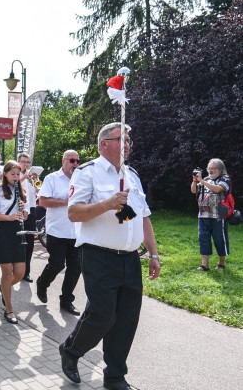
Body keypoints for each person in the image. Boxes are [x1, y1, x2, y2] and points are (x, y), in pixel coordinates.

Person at [59, 122, 161, 388]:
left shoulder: (132, 175)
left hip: (129, 258)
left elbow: (144, 218)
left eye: (129, 140)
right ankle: (71, 351)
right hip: (98, 255)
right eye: (122, 140)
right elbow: (74, 212)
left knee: (127, 319)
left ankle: (115, 376)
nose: (128, 144)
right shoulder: (87, 173)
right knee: (104, 315)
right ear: (104, 144)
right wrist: (108, 203)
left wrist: (154, 254)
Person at [36, 150, 82, 316]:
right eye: (72, 160)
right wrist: (65, 202)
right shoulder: (52, 178)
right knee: (57, 265)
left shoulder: (82, 180)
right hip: (57, 231)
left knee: (75, 268)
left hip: (76, 232)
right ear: (63, 161)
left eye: (78, 161)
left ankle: (66, 300)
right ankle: (42, 283)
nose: (75, 164)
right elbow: (43, 201)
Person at [0, 161, 30, 324]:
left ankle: (4, 288)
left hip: (18, 231)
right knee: (7, 272)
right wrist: (10, 217)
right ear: (5, 174)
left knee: (19, 272)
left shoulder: (21, 190)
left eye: (18, 174)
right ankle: (9, 309)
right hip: (3, 231)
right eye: (12, 174)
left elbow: (25, 215)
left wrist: (23, 212)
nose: (16, 177)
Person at [191, 158, 231, 270]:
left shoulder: (225, 178)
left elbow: (218, 189)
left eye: (213, 168)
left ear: (220, 169)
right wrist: (195, 181)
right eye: (209, 168)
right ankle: (205, 265)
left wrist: (202, 181)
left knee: (219, 239)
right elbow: (194, 191)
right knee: (203, 239)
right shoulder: (207, 179)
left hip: (218, 216)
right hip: (203, 215)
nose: (211, 170)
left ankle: (221, 264)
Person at [18, 152, 37, 282]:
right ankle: (16, 270)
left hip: (31, 210)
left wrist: (35, 182)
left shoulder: (30, 177)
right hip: (18, 210)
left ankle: (26, 272)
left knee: (30, 243)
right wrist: (23, 178)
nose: (26, 164)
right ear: (18, 162)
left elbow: (35, 195)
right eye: (23, 161)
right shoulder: (13, 173)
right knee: (18, 242)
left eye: (27, 162)